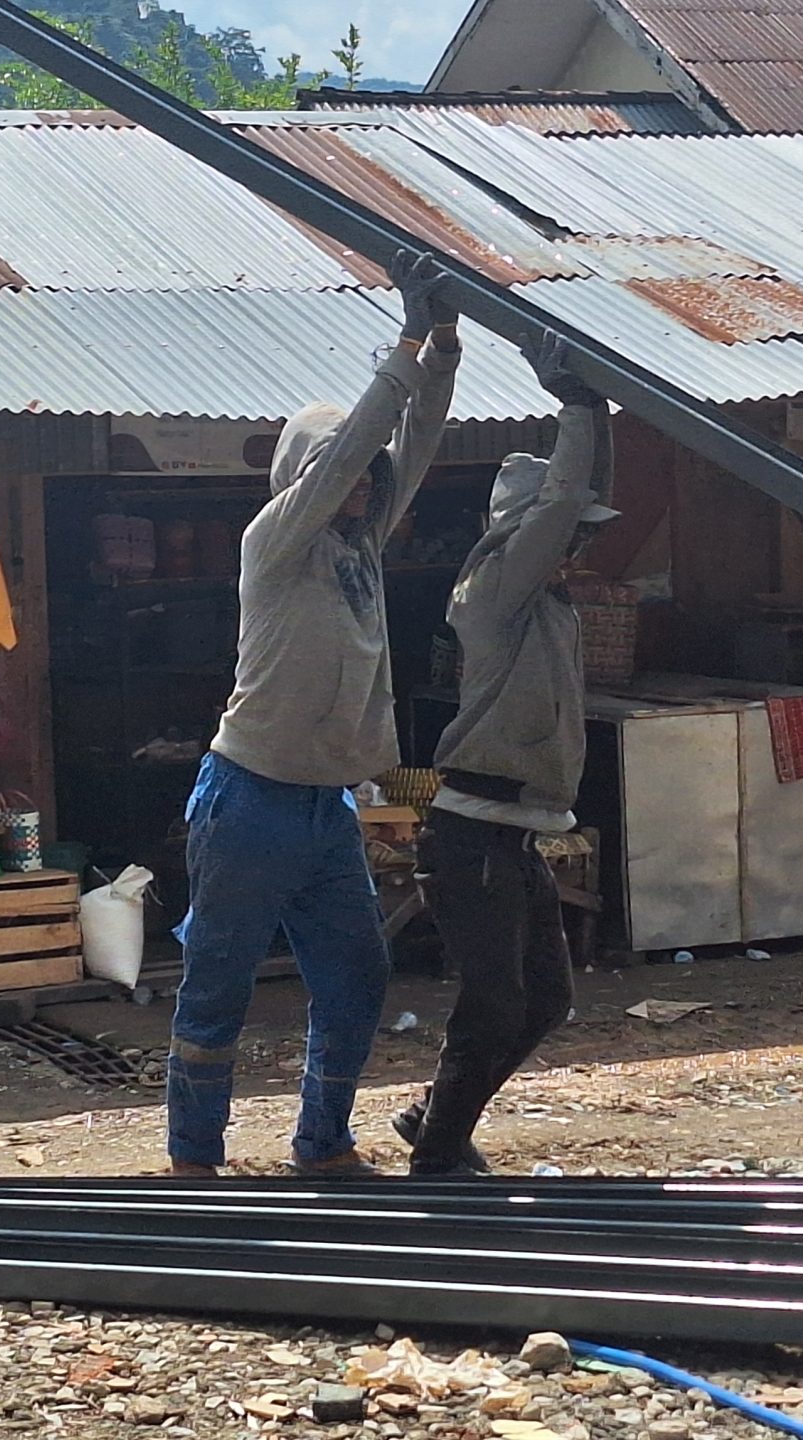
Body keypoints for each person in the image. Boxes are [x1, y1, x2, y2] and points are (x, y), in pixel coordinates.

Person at [166, 255, 461, 1177]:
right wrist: (404, 343)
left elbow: (414, 440)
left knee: (358, 978)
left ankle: (322, 1143)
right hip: (248, 797)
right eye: (350, 475)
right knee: (218, 985)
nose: (365, 486)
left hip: (325, 807)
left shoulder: (361, 542)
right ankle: (194, 1159)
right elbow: (353, 450)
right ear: (308, 476)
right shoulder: (278, 538)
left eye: (372, 479)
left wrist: (444, 344)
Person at [395, 335, 614, 1178]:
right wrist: (577, 406)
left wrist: (597, 412)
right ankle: (438, 1157)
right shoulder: (496, 589)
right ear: (527, 534)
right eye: (568, 537)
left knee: (544, 1000)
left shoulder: (542, 600)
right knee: (494, 1002)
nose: (577, 549)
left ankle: (434, 1117)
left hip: (509, 834)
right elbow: (559, 505)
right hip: (471, 834)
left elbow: (579, 496)